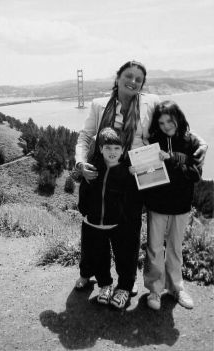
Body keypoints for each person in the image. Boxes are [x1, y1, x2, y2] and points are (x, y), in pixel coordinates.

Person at [75, 60, 207, 309]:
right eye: (129, 76)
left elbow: (176, 122)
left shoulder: (151, 101)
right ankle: (95, 275)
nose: (133, 81)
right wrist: (80, 162)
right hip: (106, 173)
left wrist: (202, 142)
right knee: (96, 226)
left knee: (130, 229)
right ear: (117, 77)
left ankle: (127, 281)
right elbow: (84, 136)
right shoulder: (98, 105)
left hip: (138, 175)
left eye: (139, 78)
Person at [138, 100, 202, 310]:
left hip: (181, 205)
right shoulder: (152, 142)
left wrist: (172, 159)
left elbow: (195, 174)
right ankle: (155, 291)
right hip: (157, 205)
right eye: (161, 122)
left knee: (175, 248)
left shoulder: (191, 142)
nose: (166, 125)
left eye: (169, 120)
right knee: (154, 248)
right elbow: (146, 174)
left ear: (178, 117)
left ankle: (176, 288)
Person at [78, 127, 130, 308]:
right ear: (100, 149)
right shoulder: (93, 169)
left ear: (123, 150)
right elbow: (83, 191)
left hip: (117, 225)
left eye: (117, 148)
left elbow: (131, 199)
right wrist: (85, 212)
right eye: (108, 148)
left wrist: (124, 218)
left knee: (124, 258)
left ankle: (124, 288)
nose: (112, 152)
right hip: (94, 223)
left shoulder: (126, 173)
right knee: (100, 257)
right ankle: (105, 285)